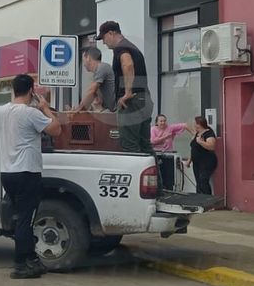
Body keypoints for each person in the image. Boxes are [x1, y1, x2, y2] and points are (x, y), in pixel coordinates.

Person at [0, 74, 61, 280]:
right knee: (26, 220)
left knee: (21, 218)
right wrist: (44, 107)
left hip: (7, 172)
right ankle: (21, 264)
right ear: (31, 91)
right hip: (26, 171)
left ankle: (30, 259)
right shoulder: (30, 113)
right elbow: (56, 129)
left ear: (13, 89)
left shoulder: (3, 111)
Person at [96, 21, 152, 154]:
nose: (103, 42)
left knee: (130, 146)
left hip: (131, 102)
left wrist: (127, 92)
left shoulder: (121, 48)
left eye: (103, 38)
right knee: (145, 145)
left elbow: (127, 65)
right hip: (144, 98)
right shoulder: (132, 47)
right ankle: (155, 174)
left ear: (111, 33)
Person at [71, 47, 116, 113]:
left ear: (88, 58)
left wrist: (78, 110)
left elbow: (91, 91)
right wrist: (82, 109)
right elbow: (92, 95)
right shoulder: (98, 72)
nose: (83, 64)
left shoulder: (102, 68)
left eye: (83, 60)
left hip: (113, 111)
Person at [150, 115, 189, 189]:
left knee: (169, 175)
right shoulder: (153, 129)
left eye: (164, 121)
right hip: (157, 154)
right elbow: (152, 141)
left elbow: (185, 125)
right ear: (156, 122)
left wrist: (194, 134)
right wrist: (165, 137)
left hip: (169, 154)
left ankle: (169, 189)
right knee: (159, 174)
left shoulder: (170, 127)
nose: (163, 123)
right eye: (161, 121)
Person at [186, 116, 218, 195]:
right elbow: (193, 148)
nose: (194, 125)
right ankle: (199, 199)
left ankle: (208, 200)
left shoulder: (209, 133)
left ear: (199, 124)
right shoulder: (197, 133)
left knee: (203, 180)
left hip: (207, 161)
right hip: (197, 162)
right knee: (198, 182)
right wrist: (189, 160)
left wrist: (201, 142)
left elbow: (211, 146)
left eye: (195, 123)